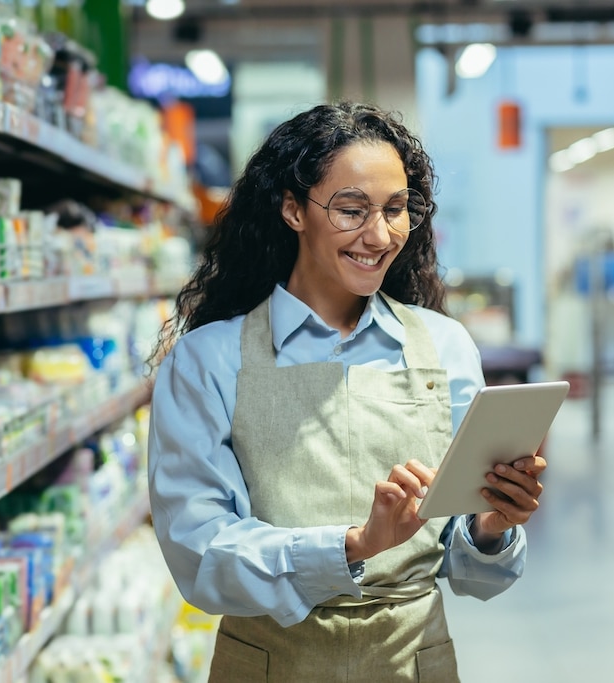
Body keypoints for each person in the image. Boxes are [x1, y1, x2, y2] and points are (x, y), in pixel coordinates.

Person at [147, 102, 546, 682]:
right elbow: (200, 553)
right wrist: (353, 546)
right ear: (292, 209)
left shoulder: (444, 347)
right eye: (351, 210)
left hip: (414, 660)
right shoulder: (207, 359)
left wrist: (492, 526)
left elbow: (471, 571)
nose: (379, 235)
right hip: (270, 663)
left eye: (395, 209)